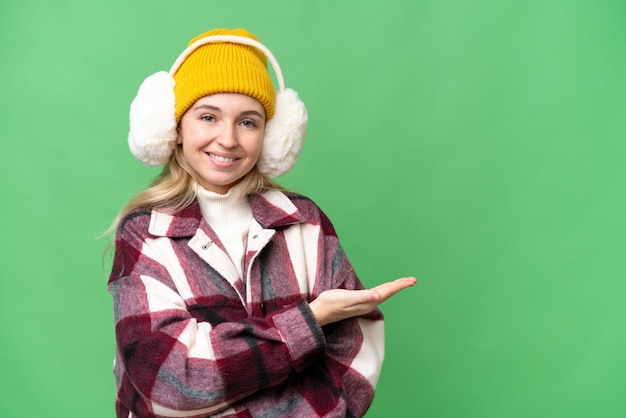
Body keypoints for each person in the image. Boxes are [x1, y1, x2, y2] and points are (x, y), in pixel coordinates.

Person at [108, 27, 417, 418]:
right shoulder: (144, 232)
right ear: (174, 128)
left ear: (272, 136)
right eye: (208, 116)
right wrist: (310, 321)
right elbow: (172, 382)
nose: (228, 139)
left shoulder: (304, 221)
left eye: (248, 122)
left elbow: (355, 360)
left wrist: (227, 381)